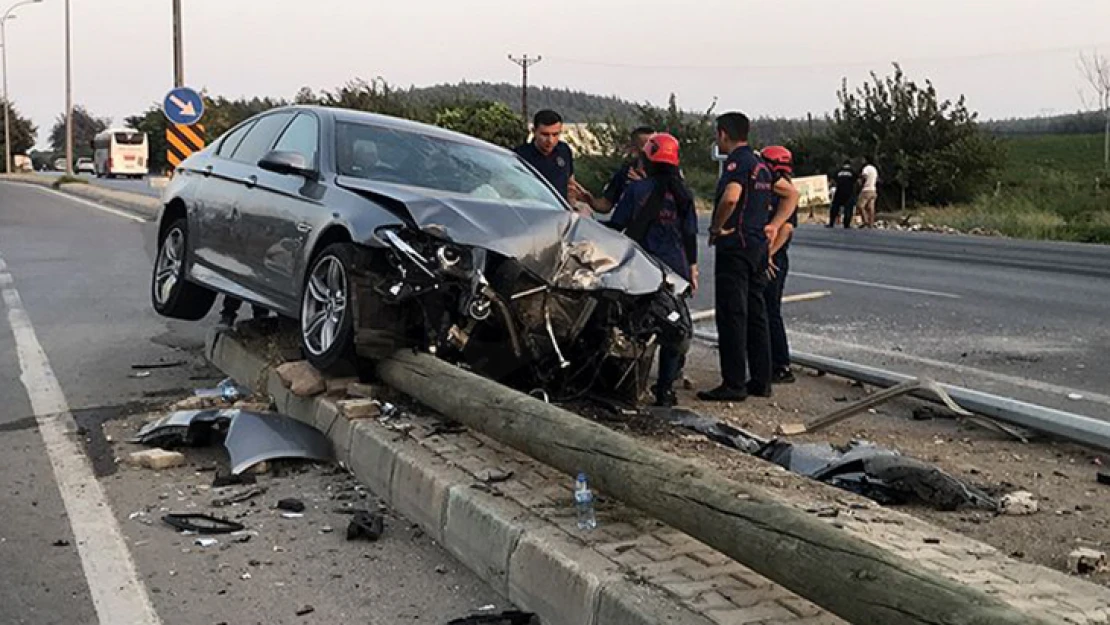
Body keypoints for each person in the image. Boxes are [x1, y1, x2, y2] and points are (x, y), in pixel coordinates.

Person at [698, 113, 792, 402]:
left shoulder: (737, 164)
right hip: (757, 249)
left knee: (732, 315)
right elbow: (791, 194)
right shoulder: (762, 165)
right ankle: (761, 380)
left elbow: (731, 197)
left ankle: (734, 382)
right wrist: (773, 225)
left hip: (735, 247)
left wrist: (717, 226)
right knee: (757, 314)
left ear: (723, 134)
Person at [607, 133, 697, 407]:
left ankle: (630, 385)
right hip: (676, 272)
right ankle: (666, 390)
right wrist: (692, 269)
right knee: (673, 327)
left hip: (643, 269)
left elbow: (617, 225)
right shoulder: (684, 195)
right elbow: (690, 235)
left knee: (635, 327)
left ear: (646, 159)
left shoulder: (636, 191)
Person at [759, 146, 801, 384]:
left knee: (770, 311)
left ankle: (780, 365)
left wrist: (768, 255)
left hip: (774, 259)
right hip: (769, 256)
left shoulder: (785, 192)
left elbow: (786, 228)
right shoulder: (774, 189)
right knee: (765, 310)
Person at [514, 110, 586, 211]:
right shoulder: (520, 155)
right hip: (531, 211)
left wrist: (574, 205)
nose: (550, 140)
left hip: (560, 211)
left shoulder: (564, 150)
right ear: (534, 131)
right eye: (545, 134)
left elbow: (570, 183)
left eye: (555, 134)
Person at [576, 126, 654, 214]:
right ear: (634, 148)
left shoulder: (665, 172)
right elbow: (606, 204)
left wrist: (642, 186)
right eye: (646, 146)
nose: (651, 150)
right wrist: (590, 199)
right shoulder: (625, 172)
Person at [828, 160, 856, 228]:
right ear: (850, 165)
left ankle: (831, 223)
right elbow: (856, 181)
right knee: (848, 208)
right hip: (849, 192)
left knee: (835, 207)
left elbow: (833, 180)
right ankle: (846, 224)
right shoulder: (852, 172)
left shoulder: (838, 171)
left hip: (839, 191)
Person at [858, 158, 879, 228]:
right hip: (873, 189)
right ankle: (871, 223)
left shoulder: (866, 168)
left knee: (860, 206)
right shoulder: (874, 169)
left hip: (866, 190)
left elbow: (864, 177)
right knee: (871, 208)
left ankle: (865, 221)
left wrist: (861, 183)